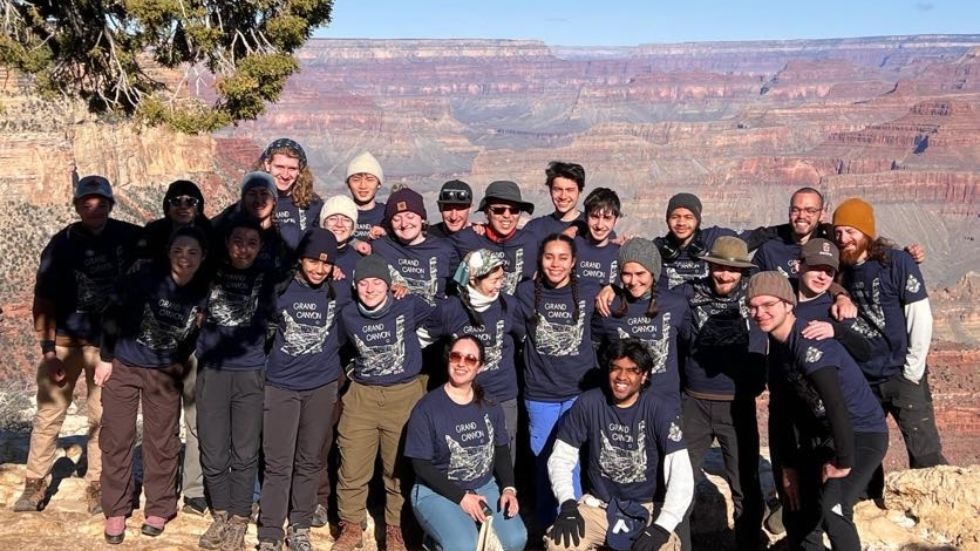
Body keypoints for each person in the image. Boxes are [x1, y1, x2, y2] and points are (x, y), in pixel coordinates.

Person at [15, 175, 144, 515]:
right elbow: (42, 300)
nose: (94, 208)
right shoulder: (61, 243)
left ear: (110, 205)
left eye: (101, 202)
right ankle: (35, 483)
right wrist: (47, 351)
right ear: (76, 205)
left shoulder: (128, 237)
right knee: (49, 414)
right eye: (87, 202)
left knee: (102, 419)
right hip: (64, 345)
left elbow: (169, 241)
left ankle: (98, 484)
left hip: (107, 349)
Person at [746, 272, 888, 550]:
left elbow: (835, 405)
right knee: (798, 512)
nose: (759, 313)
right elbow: (783, 413)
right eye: (753, 307)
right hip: (825, 438)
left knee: (834, 510)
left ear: (788, 304)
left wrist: (844, 461)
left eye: (768, 305)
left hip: (861, 434)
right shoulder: (781, 348)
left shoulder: (807, 341)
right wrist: (788, 468)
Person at [96, 226, 210, 543]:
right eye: (178, 251)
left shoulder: (202, 290)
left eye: (192, 252)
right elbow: (112, 312)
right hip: (124, 364)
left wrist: (177, 360)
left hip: (164, 371)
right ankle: (116, 509)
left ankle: (159, 506)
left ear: (202, 257)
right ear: (168, 252)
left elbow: (195, 333)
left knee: (162, 441)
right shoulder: (143, 278)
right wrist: (106, 357)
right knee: (117, 438)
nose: (184, 258)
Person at [832, 198, 946, 497]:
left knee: (924, 449)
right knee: (864, 447)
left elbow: (919, 316)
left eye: (851, 230)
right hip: (863, 378)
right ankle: (869, 503)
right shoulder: (838, 269)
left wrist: (912, 370)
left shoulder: (896, 262)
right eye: (839, 231)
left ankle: (935, 508)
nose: (844, 238)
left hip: (901, 373)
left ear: (867, 232)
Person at [544, 338, 693, 551]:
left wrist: (663, 526)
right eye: (616, 368)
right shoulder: (589, 403)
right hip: (599, 507)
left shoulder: (660, 410)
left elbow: (681, 475)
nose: (622, 377)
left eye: (632, 370)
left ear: (644, 376)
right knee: (559, 543)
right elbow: (561, 457)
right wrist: (567, 503)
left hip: (646, 510)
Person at [332, 255, 435, 551]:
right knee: (351, 464)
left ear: (389, 286)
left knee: (398, 468)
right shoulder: (348, 314)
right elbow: (338, 346)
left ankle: (395, 529)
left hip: (402, 395)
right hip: (362, 395)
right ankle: (350, 526)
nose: (370, 289)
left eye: (377, 282)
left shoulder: (408, 305)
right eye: (363, 283)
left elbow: (440, 319)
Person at [256, 228, 345, 551]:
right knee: (278, 462)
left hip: (320, 387)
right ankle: (269, 532)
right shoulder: (281, 289)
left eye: (326, 264)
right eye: (312, 261)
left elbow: (371, 292)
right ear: (300, 259)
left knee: (309, 460)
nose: (319, 269)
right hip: (280, 386)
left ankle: (300, 526)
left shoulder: (339, 291)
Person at [677, 236, 766, 550]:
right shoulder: (688, 293)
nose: (725, 275)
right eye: (719, 267)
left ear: (743, 271)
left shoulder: (756, 296)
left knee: (746, 486)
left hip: (737, 406)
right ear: (709, 265)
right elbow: (651, 297)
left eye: (732, 270)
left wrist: (838, 292)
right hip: (693, 404)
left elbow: (803, 291)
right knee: (680, 484)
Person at [194, 215, 277, 550]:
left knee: (244, 452)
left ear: (260, 248)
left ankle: (239, 519)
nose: (244, 249)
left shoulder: (267, 277)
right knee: (213, 451)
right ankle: (222, 514)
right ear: (227, 243)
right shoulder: (209, 272)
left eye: (252, 243)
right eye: (238, 241)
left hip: (250, 371)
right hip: (212, 370)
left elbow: (274, 318)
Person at [405, 335, 528, 551]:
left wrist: (509, 489)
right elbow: (421, 465)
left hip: (483, 485)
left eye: (470, 359)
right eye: (456, 356)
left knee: (515, 540)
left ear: (480, 367)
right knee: (464, 546)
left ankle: (462, 528)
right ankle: (436, 541)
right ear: (448, 360)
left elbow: (500, 450)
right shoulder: (426, 409)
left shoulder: (490, 404)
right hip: (437, 490)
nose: (462, 363)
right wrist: (461, 497)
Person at [514, 234, 600, 529]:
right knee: (542, 461)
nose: (556, 264)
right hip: (540, 394)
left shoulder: (589, 291)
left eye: (563, 257)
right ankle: (546, 525)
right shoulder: (526, 292)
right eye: (549, 256)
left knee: (571, 460)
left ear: (573, 261)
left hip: (578, 393)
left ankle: (573, 527)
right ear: (540, 259)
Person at [141, 179, 211, 515]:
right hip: (160, 345)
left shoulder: (212, 235)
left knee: (196, 419)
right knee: (162, 421)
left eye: (191, 201)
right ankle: (162, 489)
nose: (184, 206)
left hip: (197, 344)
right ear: (166, 205)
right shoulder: (150, 235)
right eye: (176, 200)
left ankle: (194, 490)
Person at [422, 249, 523, 462]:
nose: (500, 284)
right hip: (461, 397)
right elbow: (421, 338)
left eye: (501, 278)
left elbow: (525, 338)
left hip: (502, 395)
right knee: (467, 457)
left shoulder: (508, 305)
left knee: (503, 457)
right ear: (475, 278)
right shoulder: (451, 308)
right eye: (494, 280)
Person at [593, 238, 689, 403]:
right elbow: (595, 352)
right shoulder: (608, 305)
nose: (633, 281)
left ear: (653, 272)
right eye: (626, 274)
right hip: (623, 402)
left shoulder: (676, 304)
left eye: (640, 274)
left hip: (665, 401)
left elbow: (685, 344)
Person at [371, 187, 459, 305]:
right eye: (396, 219)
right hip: (397, 318)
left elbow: (460, 287)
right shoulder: (380, 248)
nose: (404, 224)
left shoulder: (444, 250)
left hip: (436, 319)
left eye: (410, 217)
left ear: (422, 218)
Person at [451, 180, 540, 295]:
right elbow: (455, 283)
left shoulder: (531, 242)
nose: (507, 215)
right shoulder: (467, 239)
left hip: (518, 311)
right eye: (499, 210)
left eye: (514, 210)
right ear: (487, 212)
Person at [212, 172, 291, 274]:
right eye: (252, 194)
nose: (258, 200)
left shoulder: (284, 234)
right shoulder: (226, 227)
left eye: (264, 193)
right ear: (243, 200)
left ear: (275, 200)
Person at [256, 138, 324, 251]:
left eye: (292, 168)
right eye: (279, 167)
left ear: (300, 171)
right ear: (268, 165)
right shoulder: (253, 201)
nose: (285, 175)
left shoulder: (312, 203)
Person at [523, 161, 587, 240]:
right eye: (558, 189)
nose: (563, 196)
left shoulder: (594, 226)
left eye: (569, 190)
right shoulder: (534, 229)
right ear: (550, 191)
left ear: (579, 191)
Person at [573, 187, 622, 287]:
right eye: (594, 217)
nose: (599, 225)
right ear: (586, 217)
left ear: (616, 221)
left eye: (607, 218)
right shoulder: (572, 247)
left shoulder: (620, 254)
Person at [345, 151, 387, 241]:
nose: (363, 186)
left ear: (379, 184)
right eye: (356, 180)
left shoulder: (387, 214)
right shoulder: (340, 214)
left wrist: (386, 235)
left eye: (370, 179)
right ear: (348, 184)